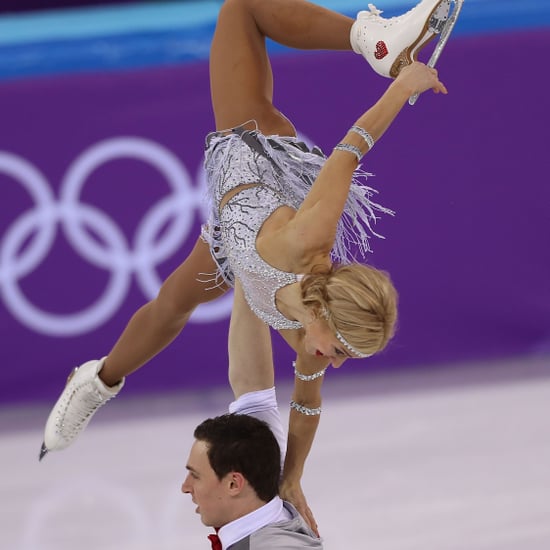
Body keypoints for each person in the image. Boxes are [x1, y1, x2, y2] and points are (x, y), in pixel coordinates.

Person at [40, 0, 454, 518]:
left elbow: (306, 409)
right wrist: (400, 85)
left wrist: (293, 478)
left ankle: (96, 380)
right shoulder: (308, 242)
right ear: (328, 315)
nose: (338, 361)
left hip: (237, 246)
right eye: (343, 349)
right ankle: (376, 40)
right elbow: (350, 150)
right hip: (254, 153)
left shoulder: (311, 341)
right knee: (243, 8)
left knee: (170, 305)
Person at [182, 281, 323, 545]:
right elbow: (252, 387)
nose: (185, 487)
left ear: (234, 483)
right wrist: (248, 264)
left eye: (196, 475)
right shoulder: (261, 471)